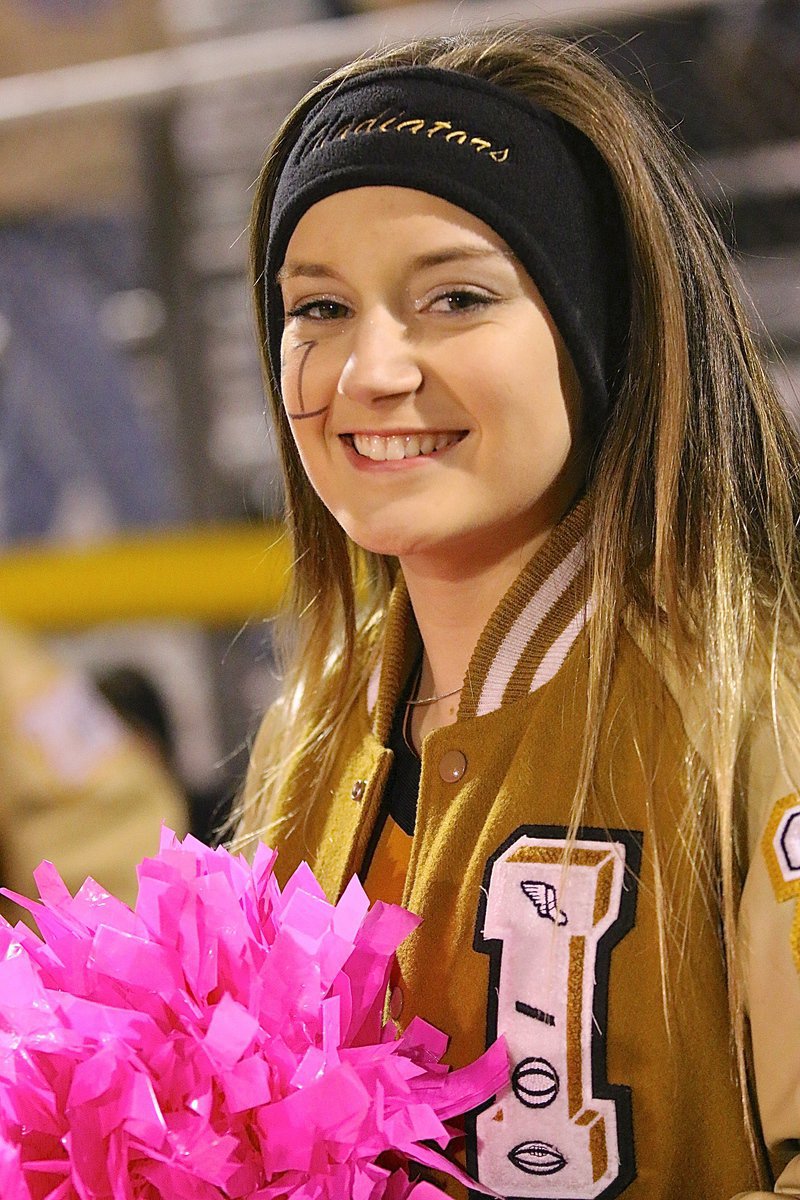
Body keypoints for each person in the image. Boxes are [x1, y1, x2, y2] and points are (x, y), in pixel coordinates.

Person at [234, 27, 800, 1199]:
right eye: (317, 307)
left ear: (596, 330)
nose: (368, 372)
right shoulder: (310, 727)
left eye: (454, 297)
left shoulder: (756, 713)